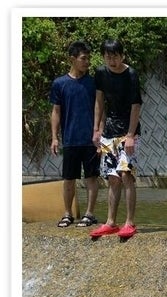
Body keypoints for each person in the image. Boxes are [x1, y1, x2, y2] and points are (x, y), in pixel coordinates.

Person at [89, 39, 143, 240]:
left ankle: (129, 222)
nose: (112, 61)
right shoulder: (101, 73)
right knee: (112, 177)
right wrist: (97, 129)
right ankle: (111, 222)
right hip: (109, 131)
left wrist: (130, 135)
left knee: (126, 174)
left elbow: (136, 105)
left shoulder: (131, 74)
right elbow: (99, 101)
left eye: (115, 56)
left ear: (122, 56)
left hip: (128, 131)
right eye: (108, 57)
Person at [49, 40, 100, 228]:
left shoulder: (93, 83)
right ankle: (67, 214)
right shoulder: (59, 84)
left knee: (91, 177)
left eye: (88, 58)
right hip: (70, 139)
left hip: (90, 139)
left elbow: (100, 109)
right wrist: (55, 137)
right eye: (83, 58)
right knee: (68, 178)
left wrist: (98, 132)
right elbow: (56, 111)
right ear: (72, 59)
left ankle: (89, 214)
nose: (87, 62)